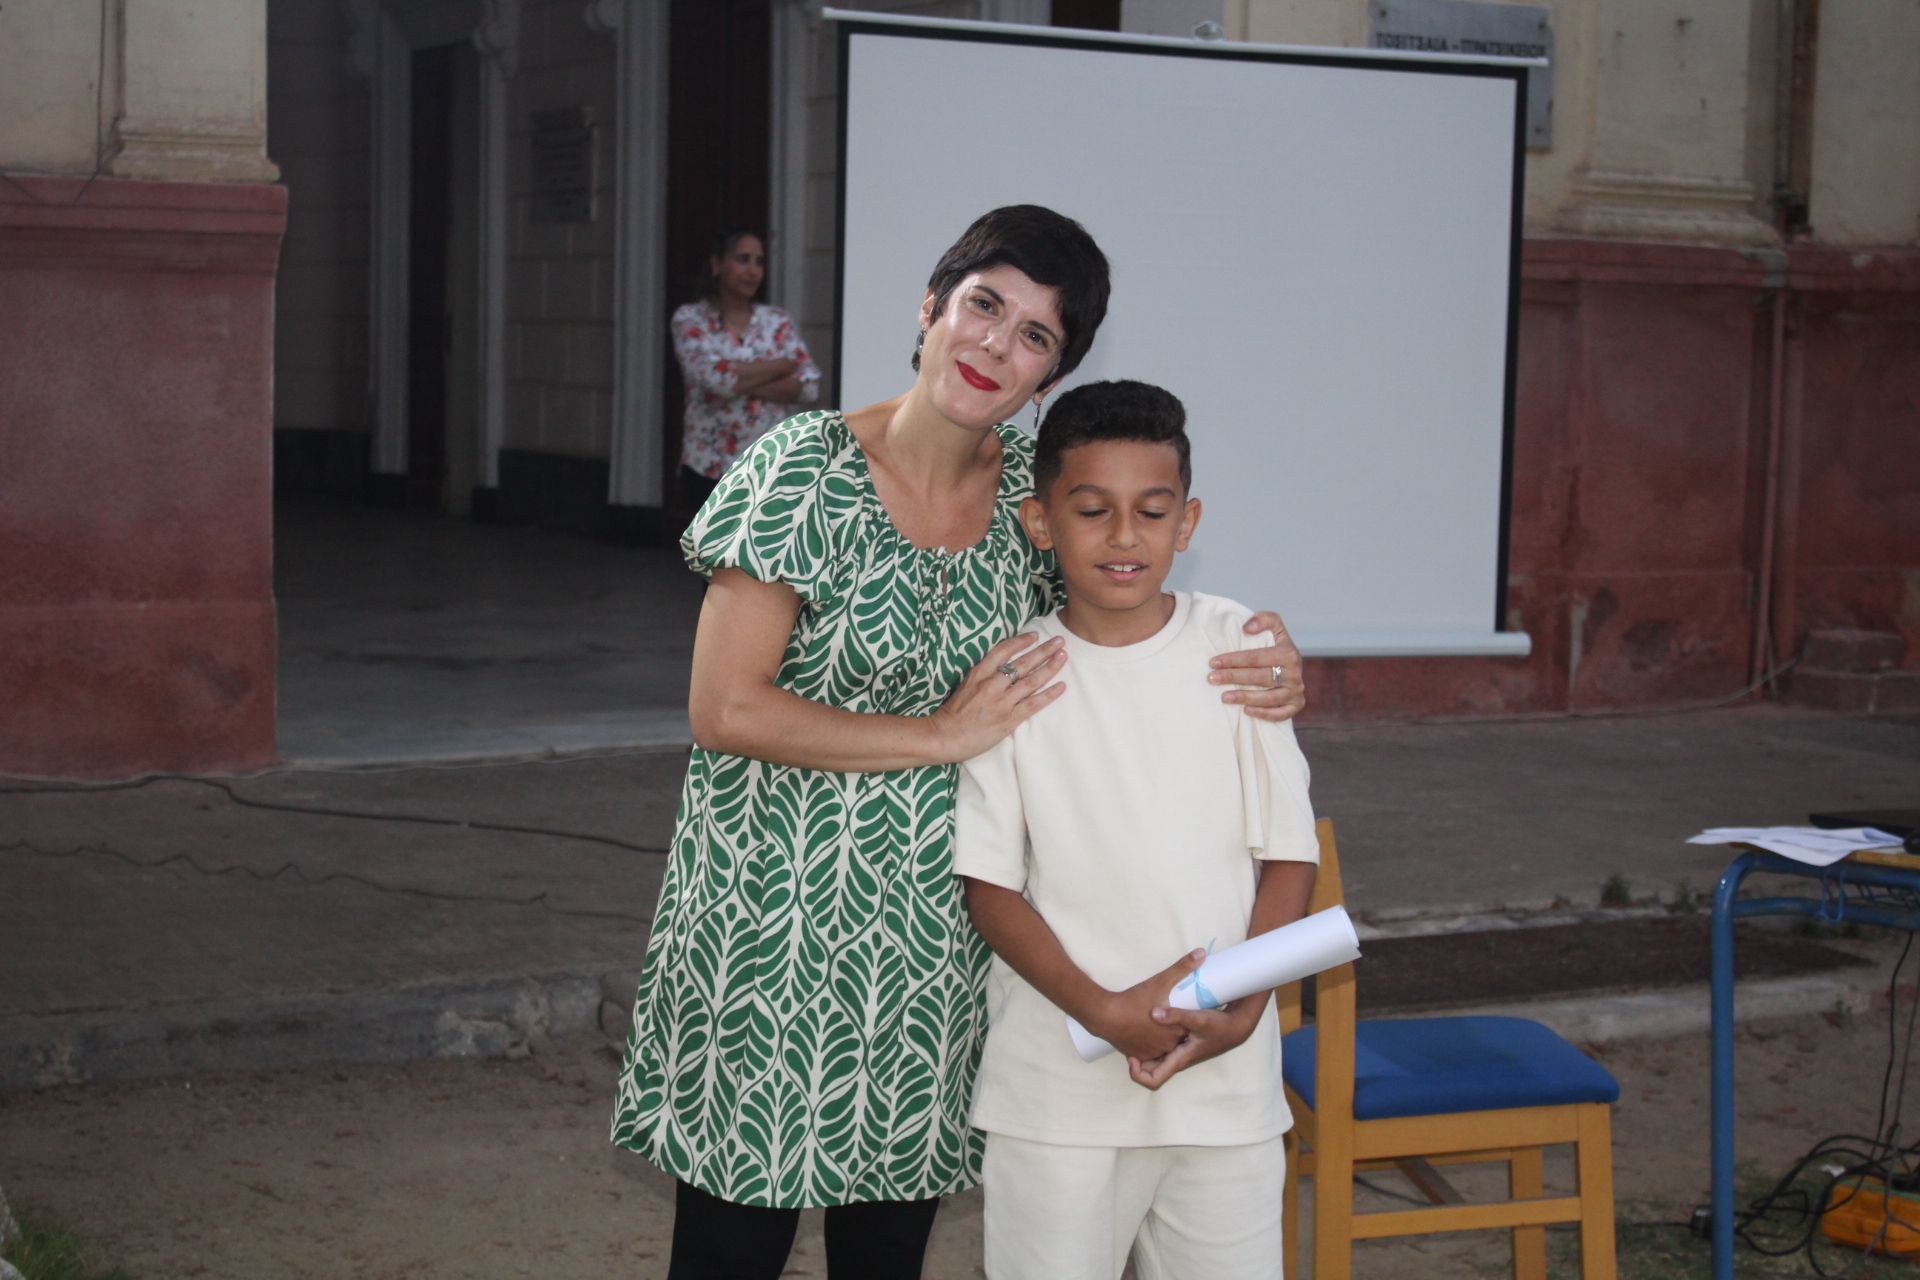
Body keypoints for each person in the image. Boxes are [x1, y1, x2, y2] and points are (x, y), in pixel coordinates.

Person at [612, 207, 1308, 1280]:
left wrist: (1269, 655)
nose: (995, 344)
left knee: (887, 1254)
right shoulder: (801, 468)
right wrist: (939, 734)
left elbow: (1130, 613)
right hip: (769, 931)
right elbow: (727, 709)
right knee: (730, 1251)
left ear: (1051, 374)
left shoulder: (1039, 498)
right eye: (984, 305)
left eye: (1035, 335)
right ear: (931, 306)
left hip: (941, 946)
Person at [954, 380, 1318, 1280]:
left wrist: (1242, 1010)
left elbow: (1290, 855)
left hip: (1224, 1085)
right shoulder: (1014, 674)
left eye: (1151, 511)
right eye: (1092, 511)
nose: (1124, 536)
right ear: (1041, 522)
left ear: (1186, 522)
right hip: (1057, 1091)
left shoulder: (1238, 650)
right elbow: (989, 887)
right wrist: (1101, 1011)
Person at [671, 229, 820, 509]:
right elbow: (715, 380)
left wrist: (738, 376)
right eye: (743, 260)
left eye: (759, 262)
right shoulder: (691, 319)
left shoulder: (777, 321)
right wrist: (780, 365)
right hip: (710, 469)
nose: (753, 271)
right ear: (717, 264)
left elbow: (809, 386)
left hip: (771, 469)